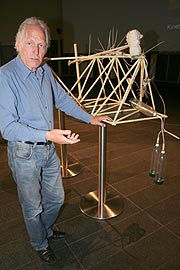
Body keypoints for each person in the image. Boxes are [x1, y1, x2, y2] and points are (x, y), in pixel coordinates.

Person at [0, 17, 111, 265]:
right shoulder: (5, 76)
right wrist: (48, 134)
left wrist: (89, 118)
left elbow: (61, 98)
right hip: (24, 154)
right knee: (32, 208)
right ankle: (39, 242)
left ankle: (44, 230)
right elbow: (7, 128)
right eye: (30, 43)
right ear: (18, 44)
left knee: (57, 199)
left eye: (41, 45)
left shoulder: (45, 70)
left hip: (48, 149)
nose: (36, 50)